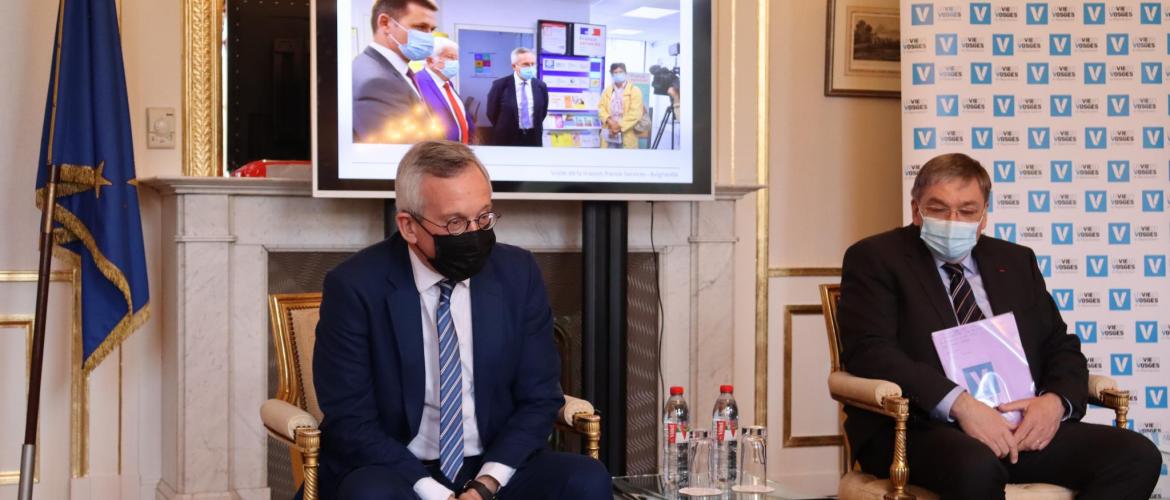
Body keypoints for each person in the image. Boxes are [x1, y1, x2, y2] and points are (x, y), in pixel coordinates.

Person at [837, 153, 1162, 500]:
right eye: (938, 208)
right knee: (977, 466)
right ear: (916, 210)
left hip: (1018, 424)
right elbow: (870, 351)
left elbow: (1060, 345)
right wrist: (961, 405)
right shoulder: (875, 258)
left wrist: (1053, 403)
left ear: (983, 216)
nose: (952, 220)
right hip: (920, 428)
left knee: (1136, 455)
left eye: (966, 210)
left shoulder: (1016, 261)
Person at [313, 141, 612, 500]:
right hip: (396, 468)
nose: (475, 233)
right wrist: (436, 493)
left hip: (492, 464)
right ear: (409, 227)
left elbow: (539, 398)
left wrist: (486, 484)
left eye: (484, 217)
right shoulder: (355, 286)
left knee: (585, 478)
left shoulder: (518, 273)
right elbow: (350, 419)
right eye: (456, 223)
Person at [352, 0, 439, 143]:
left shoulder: (397, 71)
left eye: (431, 30)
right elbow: (402, 154)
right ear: (385, 23)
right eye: (421, 27)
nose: (429, 37)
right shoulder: (376, 82)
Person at [415, 37, 476, 144]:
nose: (455, 63)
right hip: (438, 154)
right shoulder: (417, 83)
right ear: (430, 60)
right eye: (450, 57)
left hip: (460, 150)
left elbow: (459, 114)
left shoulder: (447, 83)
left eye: (457, 59)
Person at [485, 48, 548, 146]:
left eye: (533, 64)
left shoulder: (540, 86)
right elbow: (491, 113)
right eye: (526, 64)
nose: (531, 67)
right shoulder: (500, 85)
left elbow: (542, 112)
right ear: (514, 66)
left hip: (533, 137)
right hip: (506, 138)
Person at [597, 63, 644, 149]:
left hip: (627, 132)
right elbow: (601, 108)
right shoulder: (607, 91)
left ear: (625, 73)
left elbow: (635, 114)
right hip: (609, 131)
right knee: (607, 160)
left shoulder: (635, 91)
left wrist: (617, 127)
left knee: (626, 161)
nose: (618, 74)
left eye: (621, 72)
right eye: (616, 72)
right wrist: (610, 121)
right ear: (612, 74)